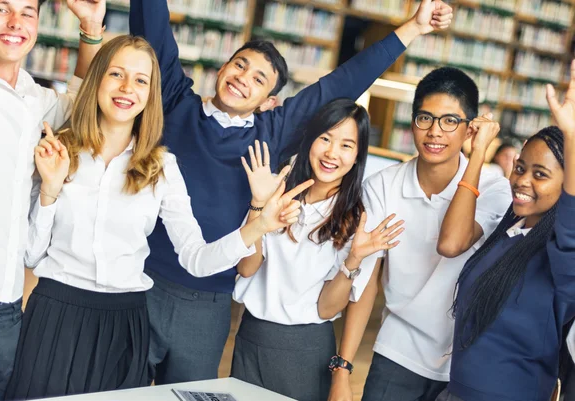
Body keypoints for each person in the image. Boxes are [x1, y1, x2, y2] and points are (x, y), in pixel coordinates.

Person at [129, 0, 454, 384]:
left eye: (259, 79)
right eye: (240, 65)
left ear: (269, 101)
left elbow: (343, 82)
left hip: (208, 302)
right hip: (141, 281)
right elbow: (153, 28)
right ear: (222, 68)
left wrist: (413, 28)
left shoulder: (271, 131)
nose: (243, 78)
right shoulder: (175, 102)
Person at [3, 35, 311, 400]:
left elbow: (197, 260)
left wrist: (257, 225)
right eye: (116, 74)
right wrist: (51, 191)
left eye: (141, 80)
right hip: (54, 313)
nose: (126, 88)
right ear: (98, 78)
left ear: (152, 94)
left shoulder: (162, 168)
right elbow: (31, 255)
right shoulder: (60, 149)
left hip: (124, 322)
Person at [328, 67, 512, 401]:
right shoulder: (383, 186)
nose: (434, 132)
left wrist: (478, 156)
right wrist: (343, 368)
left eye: (449, 121)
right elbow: (367, 281)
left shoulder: (496, 189)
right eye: (425, 118)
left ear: (471, 129)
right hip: (398, 350)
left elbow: (453, 243)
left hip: (464, 359)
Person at [231, 98, 404, 401]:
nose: (331, 153)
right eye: (325, 138)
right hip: (251, 337)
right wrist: (258, 207)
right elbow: (246, 268)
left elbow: (327, 308)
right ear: (310, 139)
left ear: (357, 156)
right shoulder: (277, 191)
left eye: (346, 145)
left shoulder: (356, 218)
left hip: (305, 349)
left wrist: (353, 260)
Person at [0, 0, 104, 398]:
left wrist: (91, 27)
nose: (16, 22)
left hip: (2, 306)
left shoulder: (39, 100)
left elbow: (84, 103)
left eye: (27, 12)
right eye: (1, 9)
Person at [435, 60, 575, 401]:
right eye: (520, 168)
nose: (522, 181)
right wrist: (479, 152)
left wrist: (572, 137)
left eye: (540, 174)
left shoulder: (562, 254)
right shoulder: (509, 232)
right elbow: (450, 242)